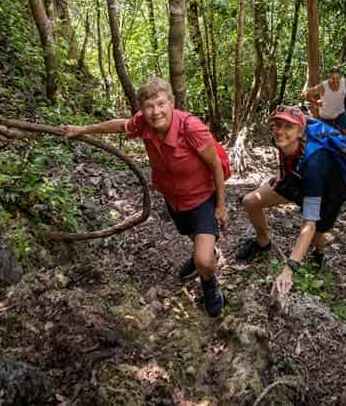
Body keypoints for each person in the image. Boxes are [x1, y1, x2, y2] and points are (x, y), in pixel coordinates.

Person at [62, 77, 228, 317]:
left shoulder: (191, 128)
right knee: (192, 235)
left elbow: (216, 166)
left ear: (171, 102)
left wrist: (221, 205)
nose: (156, 111)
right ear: (142, 108)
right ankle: (201, 255)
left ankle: (209, 283)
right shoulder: (143, 123)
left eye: (161, 104)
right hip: (173, 198)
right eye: (149, 106)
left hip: (202, 196)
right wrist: (83, 130)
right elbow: (121, 126)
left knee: (203, 260)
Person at [235, 106, 346, 301]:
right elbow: (285, 159)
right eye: (277, 125)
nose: (280, 131)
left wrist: (289, 268)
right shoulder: (281, 141)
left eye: (288, 126)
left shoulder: (315, 161)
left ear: (300, 131)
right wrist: (279, 178)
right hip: (296, 181)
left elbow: (309, 224)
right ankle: (263, 243)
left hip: (328, 193)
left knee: (317, 234)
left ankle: (318, 254)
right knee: (250, 201)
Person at [302, 67, 346, 137]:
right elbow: (305, 94)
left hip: (340, 113)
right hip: (326, 117)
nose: (335, 82)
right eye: (332, 78)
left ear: (340, 77)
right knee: (329, 138)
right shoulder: (323, 86)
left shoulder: (344, 82)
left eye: (337, 79)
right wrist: (315, 102)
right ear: (329, 77)